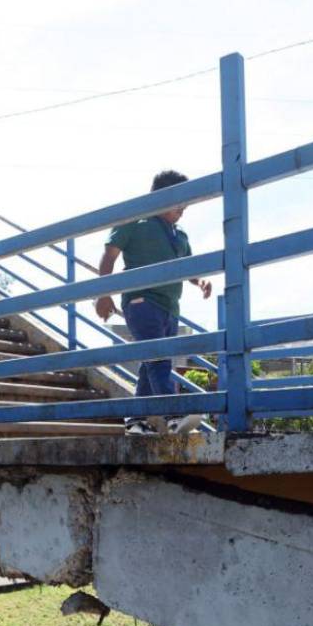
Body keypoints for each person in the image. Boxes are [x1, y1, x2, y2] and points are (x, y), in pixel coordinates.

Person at [95, 170, 212, 435]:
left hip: (170, 308)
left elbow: (188, 266)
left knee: (151, 366)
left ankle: (135, 422)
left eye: (187, 203)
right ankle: (174, 417)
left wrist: (200, 281)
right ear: (160, 196)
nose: (183, 208)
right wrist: (103, 293)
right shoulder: (135, 220)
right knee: (159, 360)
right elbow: (109, 256)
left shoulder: (180, 235)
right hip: (141, 302)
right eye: (178, 201)